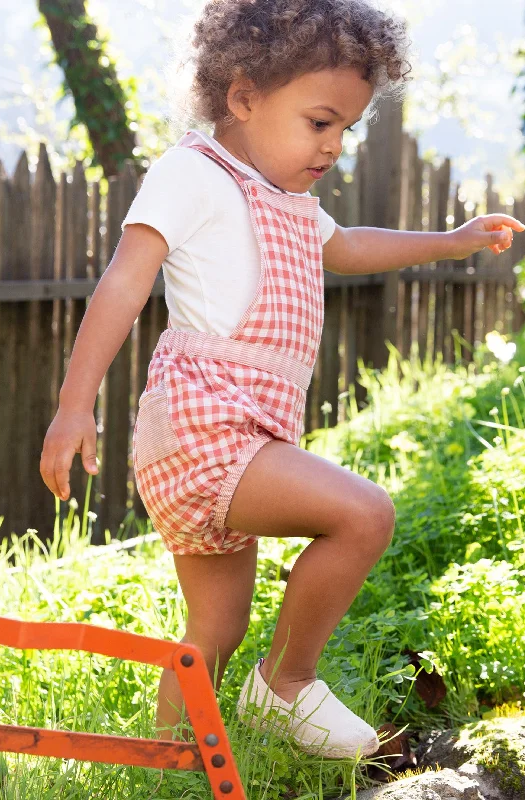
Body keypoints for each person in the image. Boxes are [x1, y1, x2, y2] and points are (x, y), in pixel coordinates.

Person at [40, 0, 524, 761]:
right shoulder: (193, 173)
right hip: (205, 425)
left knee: (212, 634)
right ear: (242, 98)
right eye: (319, 122)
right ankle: (286, 686)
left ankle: (168, 764)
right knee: (363, 514)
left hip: (245, 429)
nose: (333, 146)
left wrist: (451, 241)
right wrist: (74, 408)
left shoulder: (291, 202)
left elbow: (349, 246)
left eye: (346, 130)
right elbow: (122, 285)